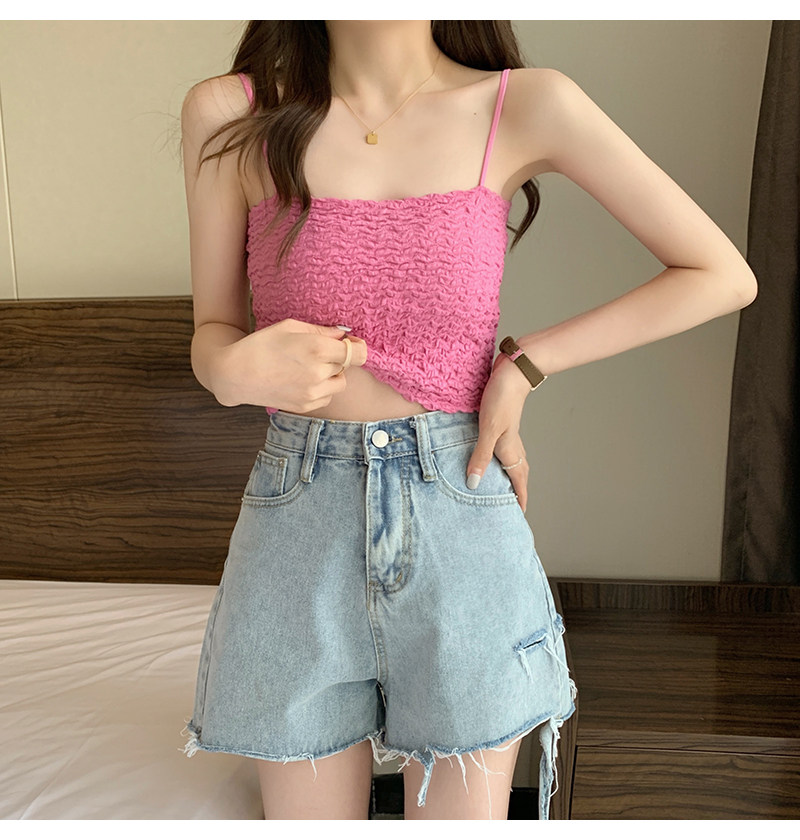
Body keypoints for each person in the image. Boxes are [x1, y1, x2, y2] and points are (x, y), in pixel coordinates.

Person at [179, 21, 757, 821]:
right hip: (296, 526)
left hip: (460, 511)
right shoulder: (230, 112)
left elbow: (721, 274)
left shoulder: (525, 105)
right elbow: (213, 334)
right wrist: (232, 371)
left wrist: (525, 365)